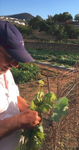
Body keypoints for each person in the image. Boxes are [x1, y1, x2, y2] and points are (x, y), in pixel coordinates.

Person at [0, 20, 41, 150]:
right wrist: (17, 122)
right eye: (11, 56)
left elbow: (14, 96)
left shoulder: (6, 72)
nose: (15, 65)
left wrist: (28, 109)